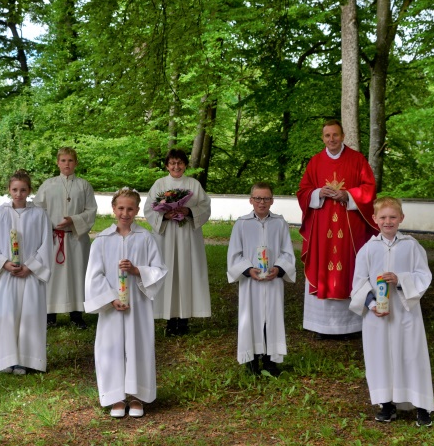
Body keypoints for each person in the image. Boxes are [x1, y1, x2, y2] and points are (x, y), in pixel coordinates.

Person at [349, 197, 434, 427]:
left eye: (393, 217)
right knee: (380, 357)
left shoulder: (411, 246)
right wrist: (371, 304)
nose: (388, 221)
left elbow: (424, 275)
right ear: (375, 219)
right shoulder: (368, 250)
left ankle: (422, 405)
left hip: (406, 313)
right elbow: (358, 283)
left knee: (411, 355)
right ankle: (386, 403)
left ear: (401, 219)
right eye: (383, 217)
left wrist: (400, 281)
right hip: (378, 316)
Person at [85, 188, 167, 418]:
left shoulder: (145, 238)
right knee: (111, 349)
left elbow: (159, 270)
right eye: (120, 208)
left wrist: (136, 270)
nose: (125, 213)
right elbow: (94, 275)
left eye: (130, 208)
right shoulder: (102, 240)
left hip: (137, 305)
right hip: (111, 307)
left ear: (137, 210)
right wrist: (110, 299)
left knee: (137, 345)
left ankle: (137, 395)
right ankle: (115, 397)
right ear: (113, 209)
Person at [297, 119, 377, 338]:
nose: (331, 139)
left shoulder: (357, 160)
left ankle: (351, 326)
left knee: (350, 269)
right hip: (322, 227)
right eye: (327, 136)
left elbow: (369, 189)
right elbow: (303, 191)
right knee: (322, 267)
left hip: (349, 228)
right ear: (323, 138)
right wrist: (317, 194)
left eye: (335, 135)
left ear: (342, 136)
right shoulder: (315, 162)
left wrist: (348, 195)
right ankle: (322, 326)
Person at [0, 170, 52, 375]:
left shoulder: (39, 215)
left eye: (23, 190)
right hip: (6, 276)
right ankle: (6, 359)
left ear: (29, 191)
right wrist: (4, 263)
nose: (18, 194)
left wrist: (30, 266)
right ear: (9, 190)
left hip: (29, 275)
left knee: (29, 314)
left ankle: (26, 359)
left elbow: (46, 245)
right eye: (15, 190)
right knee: (6, 314)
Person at [227, 182, 297, 376]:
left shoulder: (279, 223)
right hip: (251, 282)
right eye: (257, 198)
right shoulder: (242, 224)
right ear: (251, 200)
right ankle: (251, 360)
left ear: (272, 201)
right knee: (251, 318)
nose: (262, 202)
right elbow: (234, 255)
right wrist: (248, 270)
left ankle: (270, 361)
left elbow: (287, 252)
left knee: (271, 319)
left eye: (266, 198)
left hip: (273, 282)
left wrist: (279, 269)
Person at [143, 149, 211, 336]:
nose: (176, 167)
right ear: (167, 165)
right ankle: (169, 320)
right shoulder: (159, 184)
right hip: (166, 237)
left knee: (185, 273)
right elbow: (149, 209)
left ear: (185, 165)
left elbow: (205, 207)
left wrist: (188, 212)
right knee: (168, 273)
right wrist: (165, 214)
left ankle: (184, 320)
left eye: (180, 163)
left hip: (187, 235)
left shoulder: (193, 184)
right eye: (172, 163)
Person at [33, 147, 97, 329]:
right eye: (63, 160)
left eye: (70, 160)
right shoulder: (48, 185)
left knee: (77, 274)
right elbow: (38, 210)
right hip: (53, 237)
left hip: (76, 238)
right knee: (52, 275)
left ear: (76, 163)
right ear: (57, 162)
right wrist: (49, 226)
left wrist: (73, 220)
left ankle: (76, 314)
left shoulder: (84, 185)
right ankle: (49, 315)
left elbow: (91, 210)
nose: (66, 164)